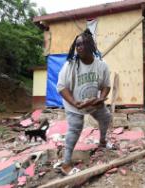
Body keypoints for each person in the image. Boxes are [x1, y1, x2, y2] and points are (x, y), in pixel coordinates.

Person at [56, 29, 112, 175]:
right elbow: (61, 87)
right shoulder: (70, 65)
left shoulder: (102, 65)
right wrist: (75, 103)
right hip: (74, 105)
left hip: (93, 104)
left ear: (91, 45)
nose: (79, 47)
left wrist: (101, 97)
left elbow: (106, 85)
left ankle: (103, 142)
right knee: (75, 128)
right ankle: (66, 163)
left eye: (83, 44)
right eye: (77, 44)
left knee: (106, 117)